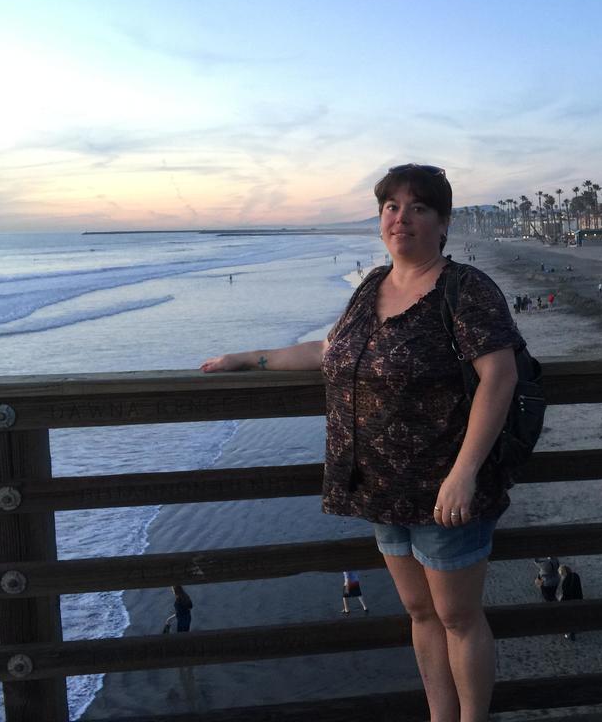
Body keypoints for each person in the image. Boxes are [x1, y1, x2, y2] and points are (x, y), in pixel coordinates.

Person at [201, 164, 520, 722]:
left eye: (418, 207)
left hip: (445, 489)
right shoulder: (372, 286)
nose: (402, 218)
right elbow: (329, 351)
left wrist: (464, 473)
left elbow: (500, 376)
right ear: (380, 219)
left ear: (443, 222)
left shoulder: (466, 289)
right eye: (392, 207)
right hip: (377, 486)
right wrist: (249, 358)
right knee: (420, 612)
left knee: (458, 618)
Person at [557, 565, 584, 640]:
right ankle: (573, 632)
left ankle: (567, 633)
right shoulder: (576, 575)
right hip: (578, 598)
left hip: (569, 601)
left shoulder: (565, 581)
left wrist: (560, 601)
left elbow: (566, 593)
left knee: (567, 617)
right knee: (575, 617)